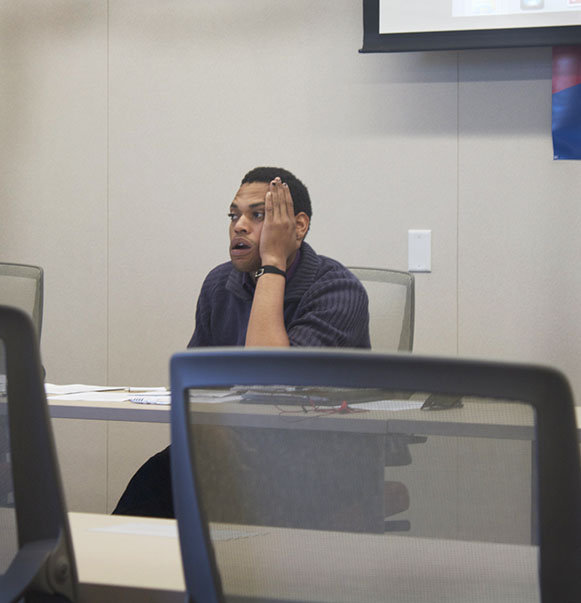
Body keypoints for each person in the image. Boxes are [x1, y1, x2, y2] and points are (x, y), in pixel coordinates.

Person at [113, 167, 370, 517]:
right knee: (152, 485)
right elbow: (198, 387)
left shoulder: (339, 291)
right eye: (234, 215)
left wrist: (272, 264)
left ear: (298, 227)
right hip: (230, 448)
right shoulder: (220, 284)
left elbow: (270, 383)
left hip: (314, 458)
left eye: (258, 215)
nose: (239, 225)